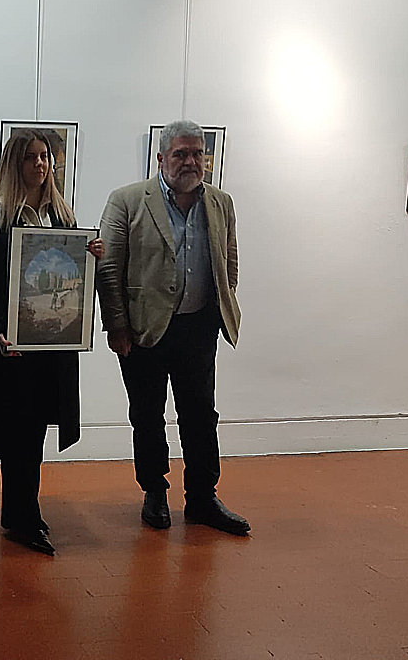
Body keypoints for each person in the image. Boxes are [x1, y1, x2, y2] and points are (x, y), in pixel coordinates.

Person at [96, 119, 250, 536]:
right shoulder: (127, 200)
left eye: (197, 153)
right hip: (144, 331)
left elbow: (227, 261)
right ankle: (155, 493)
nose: (190, 161)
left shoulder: (220, 203)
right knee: (147, 416)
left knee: (201, 416)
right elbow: (108, 268)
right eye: (180, 153)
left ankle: (202, 498)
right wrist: (117, 326)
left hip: (198, 329)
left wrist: (221, 304)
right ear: (161, 157)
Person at [0, 131, 104, 556]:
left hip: (51, 347)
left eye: (45, 157)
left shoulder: (62, 218)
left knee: (36, 433)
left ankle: (22, 512)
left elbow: (77, 281)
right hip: (12, 348)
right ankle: (24, 516)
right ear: (14, 163)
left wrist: (92, 257)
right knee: (18, 435)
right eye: (30, 158)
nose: (40, 165)